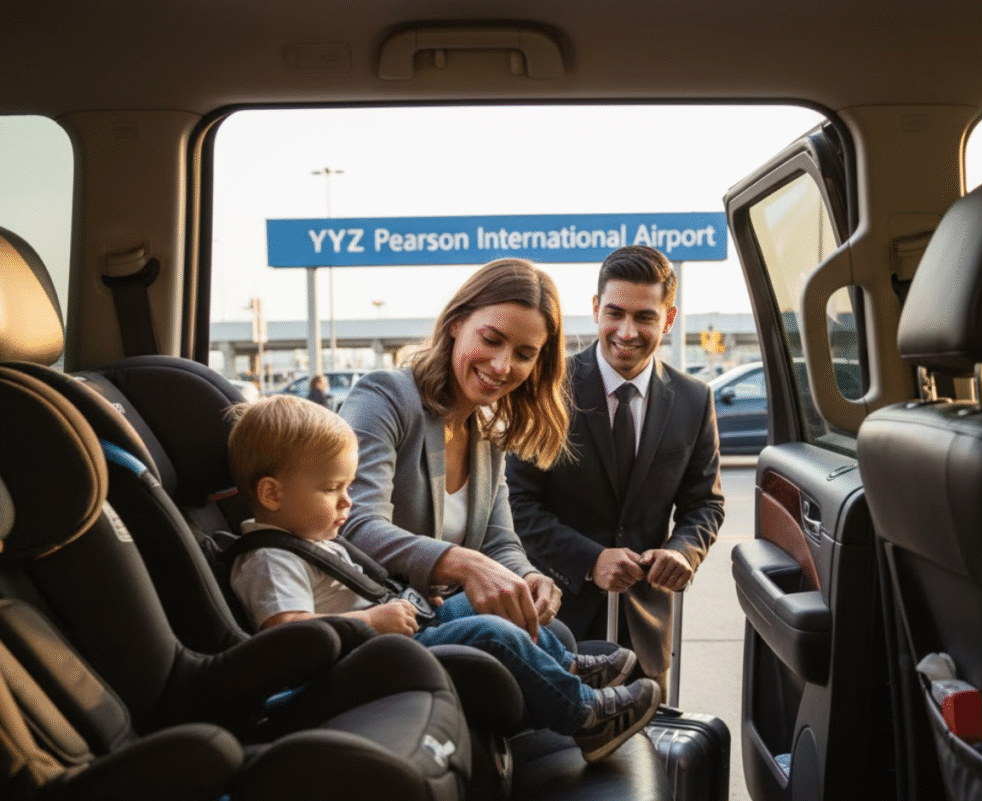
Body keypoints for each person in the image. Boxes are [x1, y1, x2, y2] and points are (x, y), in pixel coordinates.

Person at [227, 393, 660, 763]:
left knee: (480, 603)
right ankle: (585, 716)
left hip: (388, 636)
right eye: (331, 490)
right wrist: (373, 622)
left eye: (348, 487)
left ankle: (565, 670)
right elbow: (286, 638)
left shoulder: (312, 538)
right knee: (489, 633)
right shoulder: (269, 559)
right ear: (272, 493)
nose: (347, 502)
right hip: (360, 663)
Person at [506, 245, 725, 692]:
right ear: (594, 310)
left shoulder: (693, 399)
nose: (627, 331)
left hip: (647, 632)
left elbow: (705, 504)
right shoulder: (547, 388)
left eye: (645, 317)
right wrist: (590, 560)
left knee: (644, 758)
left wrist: (682, 551)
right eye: (615, 313)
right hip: (556, 628)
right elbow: (517, 503)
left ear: (668, 318)